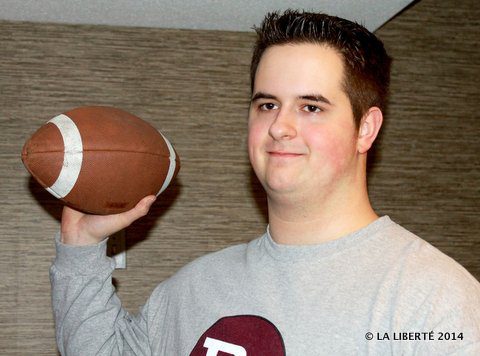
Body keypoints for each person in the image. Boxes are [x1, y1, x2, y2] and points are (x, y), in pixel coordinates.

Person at [51, 10, 480, 355]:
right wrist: (80, 245)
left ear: (365, 129)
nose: (279, 127)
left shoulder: (431, 300)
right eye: (268, 104)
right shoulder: (194, 288)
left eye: (311, 107)